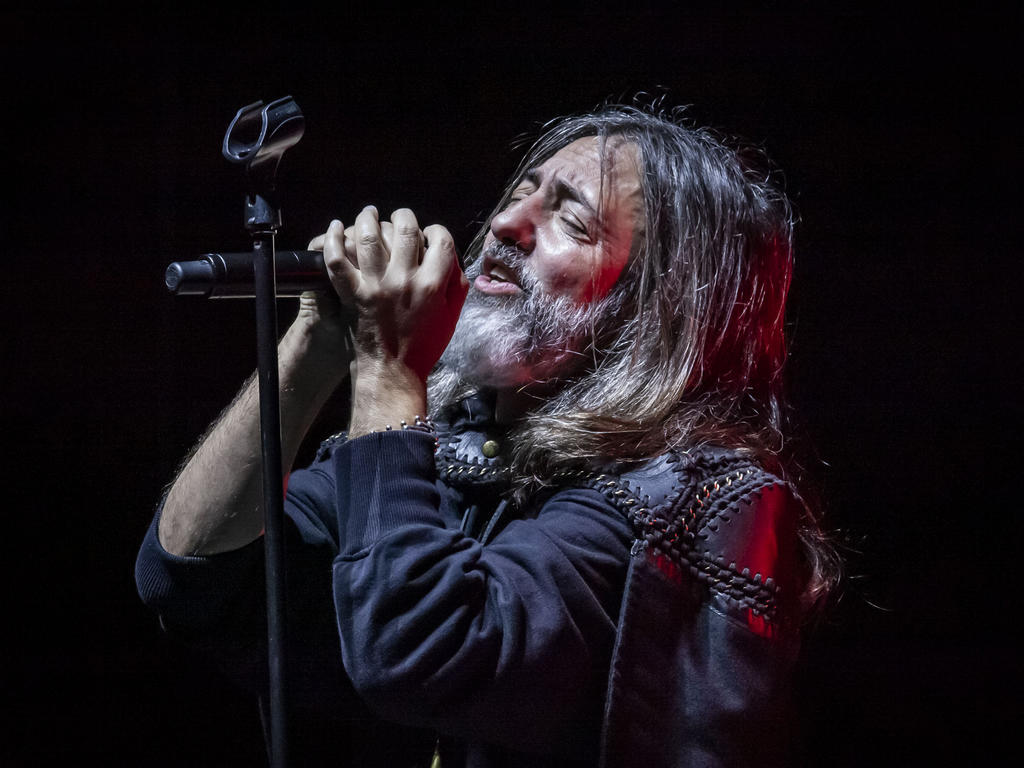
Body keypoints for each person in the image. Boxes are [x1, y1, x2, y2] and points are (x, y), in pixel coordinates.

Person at [136, 104, 838, 767]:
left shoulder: (685, 499)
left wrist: (387, 367)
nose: (504, 224)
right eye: (520, 194)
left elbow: (422, 651)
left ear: (658, 309)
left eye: (572, 220)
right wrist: (316, 344)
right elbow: (189, 572)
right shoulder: (456, 449)